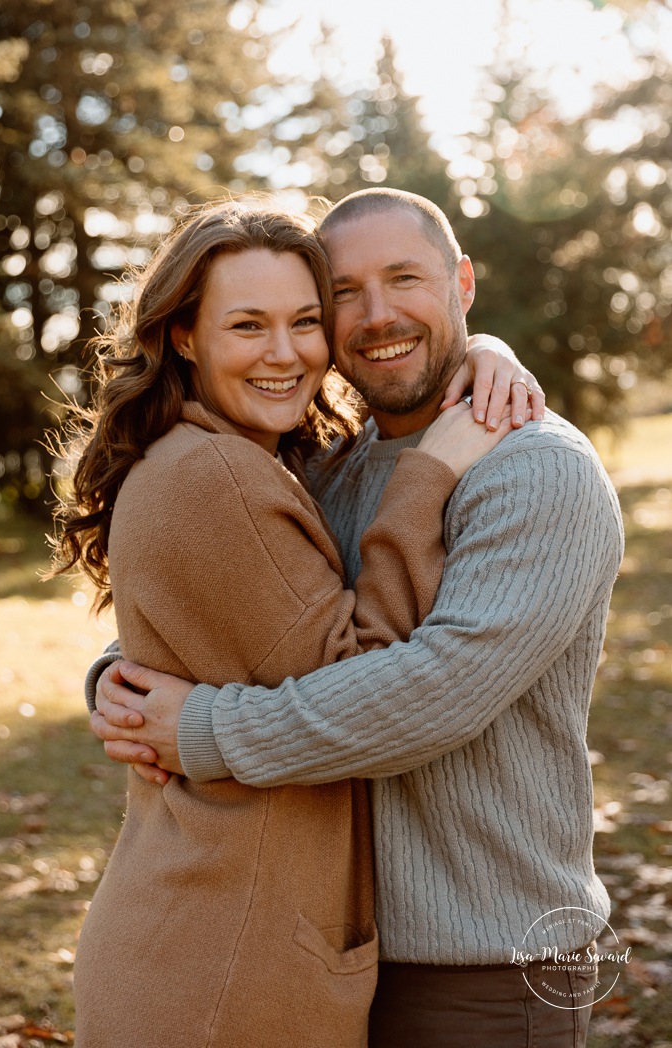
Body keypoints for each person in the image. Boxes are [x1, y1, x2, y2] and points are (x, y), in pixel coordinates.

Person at [90, 188, 625, 1048]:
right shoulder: (331, 468)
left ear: (461, 283)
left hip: (481, 959)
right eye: (344, 292)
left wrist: (203, 732)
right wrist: (118, 678)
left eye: (405, 278)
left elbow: (435, 692)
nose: (376, 315)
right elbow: (248, 611)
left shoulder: (535, 472)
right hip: (331, 949)